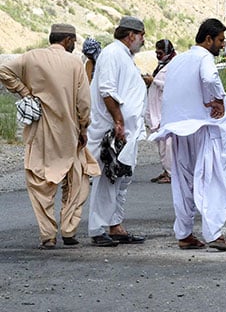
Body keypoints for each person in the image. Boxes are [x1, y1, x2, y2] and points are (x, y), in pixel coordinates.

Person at [0, 24, 100, 249]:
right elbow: (84, 102)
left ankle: (48, 235)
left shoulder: (31, 57)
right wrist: (84, 128)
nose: (74, 45)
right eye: (73, 41)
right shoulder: (75, 63)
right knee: (77, 179)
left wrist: (25, 92)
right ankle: (68, 229)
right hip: (69, 131)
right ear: (67, 40)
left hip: (40, 131)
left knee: (39, 181)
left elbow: (4, 71)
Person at [149, 18, 226, 251]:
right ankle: (214, 233)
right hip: (204, 127)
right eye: (220, 41)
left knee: (183, 181)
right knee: (212, 178)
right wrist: (217, 98)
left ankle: (185, 234)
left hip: (179, 129)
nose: (221, 45)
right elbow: (209, 78)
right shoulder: (203, 57)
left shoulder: (178, 61)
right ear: (208, 39)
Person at [87, 16, 148, 247]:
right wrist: (119, 121)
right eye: (141, 35)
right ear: (131, 35)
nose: (143, 41)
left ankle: (115, 225)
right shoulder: (113, 54)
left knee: (123, 178)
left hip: (126, 132)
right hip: (112, 131)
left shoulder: (125, 56)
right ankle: (97, 228)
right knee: (108, 178)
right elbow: (107, 91)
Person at [145, 39, 177, 184]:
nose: (158, 56)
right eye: (156, 53)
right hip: (157, 109)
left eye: (160, 53)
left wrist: (154, 82)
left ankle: (171, 173)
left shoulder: (174, 65)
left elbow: (173, 86)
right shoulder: (162, 66)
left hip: (166, 110)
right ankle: (166, 169)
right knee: (161, 142)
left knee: (167, 144)